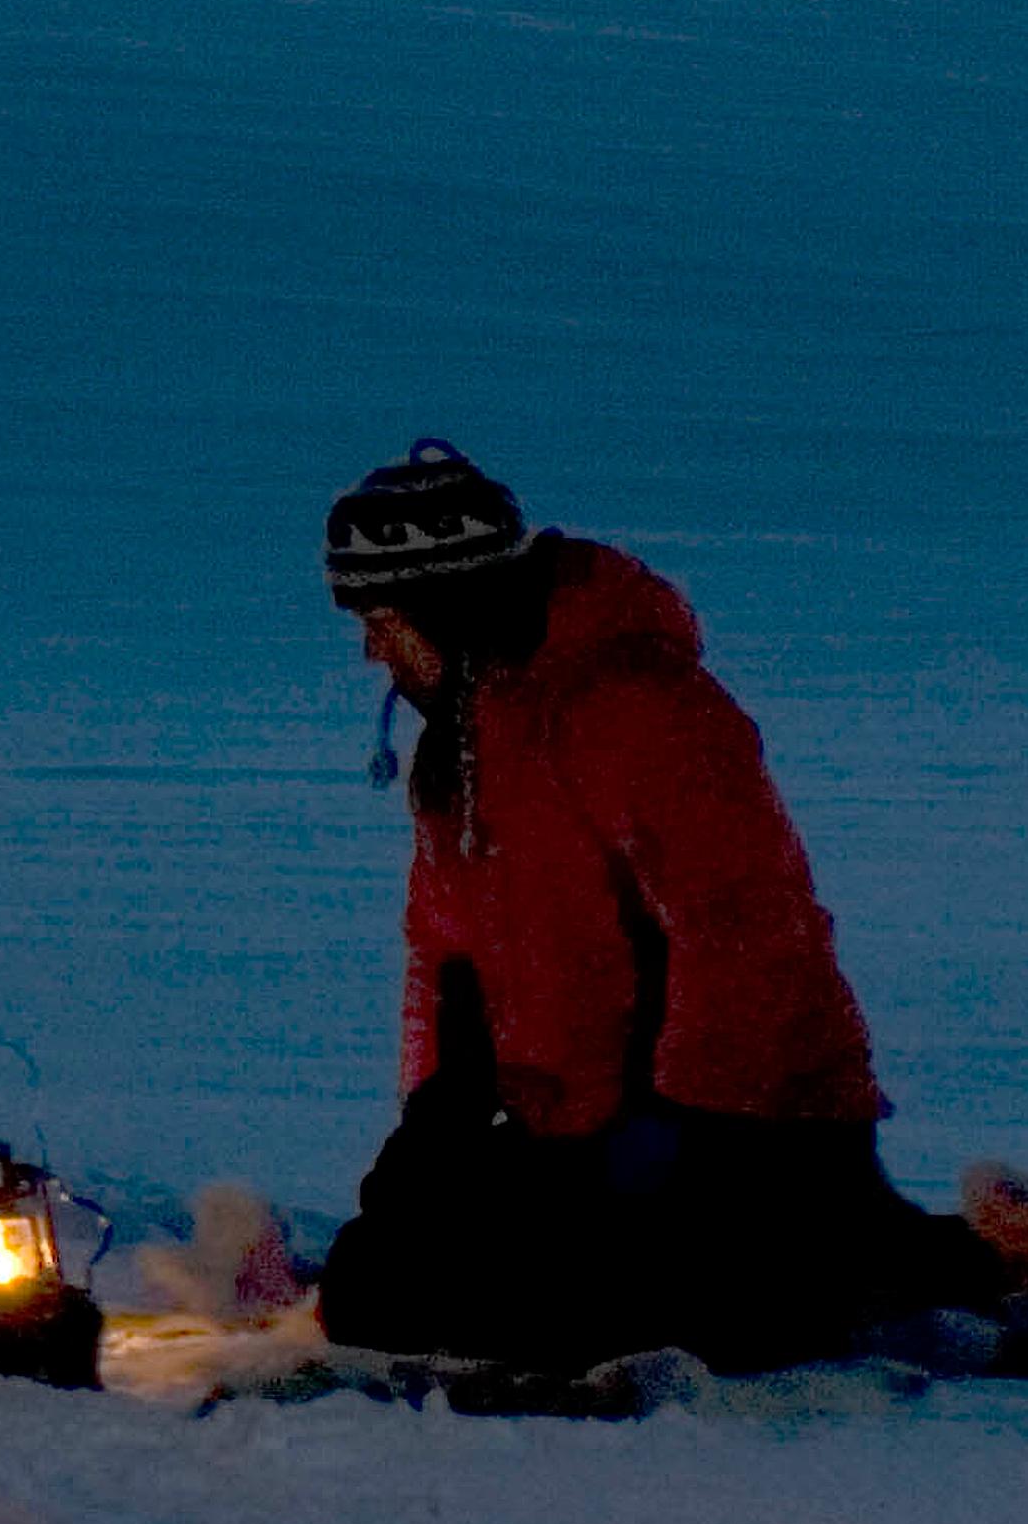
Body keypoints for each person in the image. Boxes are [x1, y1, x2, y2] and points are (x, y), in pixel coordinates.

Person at [309, 441, 1005, 1372]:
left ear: (447, 606)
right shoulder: (463, 751)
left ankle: (930, 1263)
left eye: (382, 619)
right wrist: (432, 1136)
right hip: (580, 1136)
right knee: (381, 1292)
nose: (369, 648)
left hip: (749, 1131)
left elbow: (745, 934)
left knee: (591, 1322)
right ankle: (883, 1258)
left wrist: (691, 1130)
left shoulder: (633, 706)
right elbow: (450, 961)